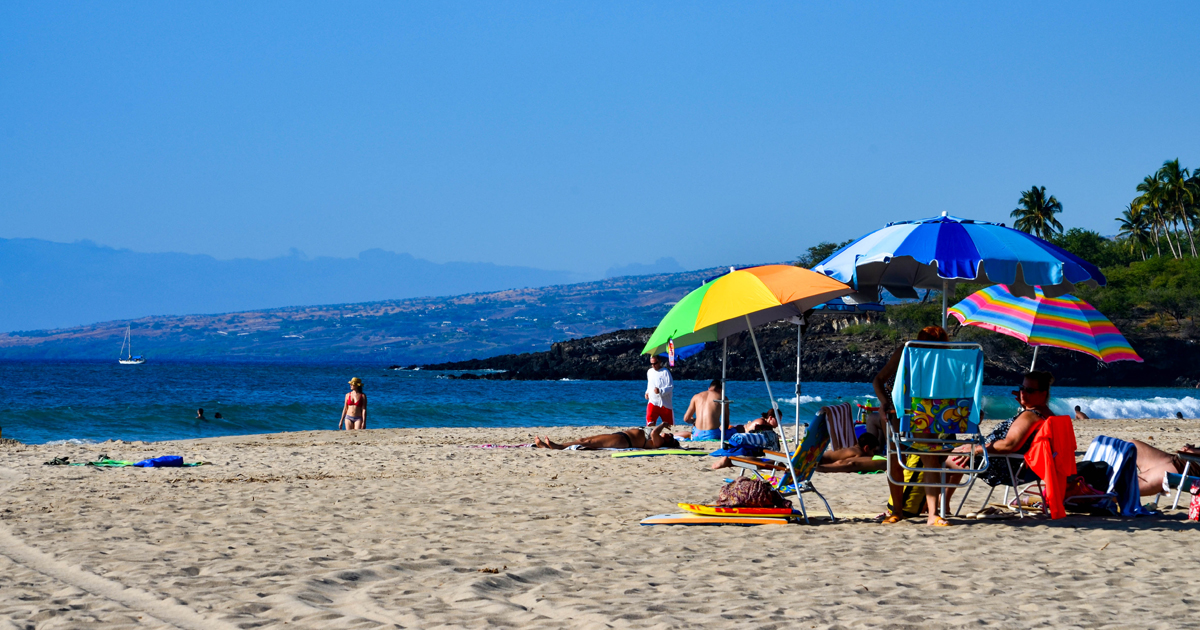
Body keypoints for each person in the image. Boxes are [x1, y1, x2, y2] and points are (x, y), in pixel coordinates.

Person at [940, 371, 1057, 509]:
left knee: (946, 455)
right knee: (961, 449)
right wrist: (1025, 407)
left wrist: (976, 449)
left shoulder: (1031, 415)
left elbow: (1009, 445)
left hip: (1005, 467)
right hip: (1021, 467)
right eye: (1022, 388)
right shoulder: (1046, 414)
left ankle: (938, 503)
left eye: (1029, 390)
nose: (1023, 393)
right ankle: (943, 502)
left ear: (1043, 394)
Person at [873, 325, 952, 526]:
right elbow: (879, 380)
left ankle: (933, 513)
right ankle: (896, 510)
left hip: (930, 409)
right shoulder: (906, 351)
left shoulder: (946, 360)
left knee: (930, 458)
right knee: (895, 458)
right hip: (898, 409)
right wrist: (884, 403)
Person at [709, 409, 781, 470]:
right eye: (778, 420)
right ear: (771, 418)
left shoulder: (767, 425)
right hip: (735, 431)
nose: (779, 423)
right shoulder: (761, 422)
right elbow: (750, 433)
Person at [1131, 440, 1200, 496]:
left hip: (1191, 467)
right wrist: (1192, 449)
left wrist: (1194, 451)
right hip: (1180, 458)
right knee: (1131, 446)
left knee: (1135, 483)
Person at [535, 423, 680, 450]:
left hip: (624, 440)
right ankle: (549, 446)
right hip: (621, 437)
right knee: (586, 440)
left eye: (670, 436)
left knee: (587, 442)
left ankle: (557, 446)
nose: (668, 434)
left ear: (669, 441)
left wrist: (662, 424)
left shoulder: (659, 442)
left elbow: (654, 432)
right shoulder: (659, 439)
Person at [817, 433, 886, 473]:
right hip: (820, 461)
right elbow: (845, 462)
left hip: (818, 456)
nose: (874, 454)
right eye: (873, 451)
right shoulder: (859, 453)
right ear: (866, 448)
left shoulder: (852, 446)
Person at [644, 355, 674, 426]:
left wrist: (660, 391)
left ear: (660, 362)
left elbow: (670, 386)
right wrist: (647, 392)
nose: (653, 365)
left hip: (665, 403)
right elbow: (650, 385)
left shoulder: (665, 372)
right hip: (653, 402)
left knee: (669, 425)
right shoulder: (649, 372)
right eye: (651, 364)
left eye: (655, 363)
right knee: (650, 423)